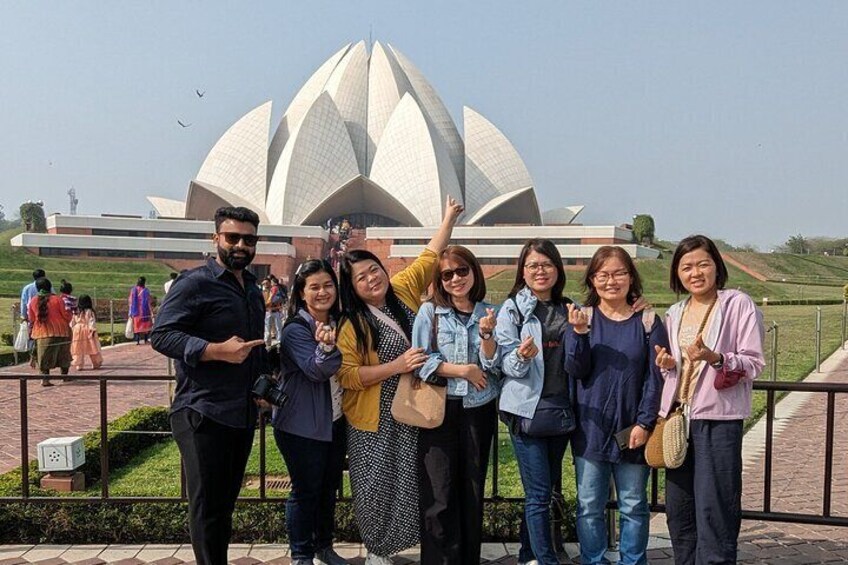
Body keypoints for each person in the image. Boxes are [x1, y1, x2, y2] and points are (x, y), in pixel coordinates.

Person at [336, 196, 463, 565]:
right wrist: (397, 365)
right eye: (362, 278)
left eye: (374, 270)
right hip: (372, 420)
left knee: (409, 481)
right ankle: (376, 549)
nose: (372, 279)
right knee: (375, 484)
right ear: (353, 287)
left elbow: (429, 256)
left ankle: (403, 545)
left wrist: (448, 218)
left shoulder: (402, 292)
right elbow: (347, 375)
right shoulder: (352, 323)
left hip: (410, 409)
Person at [151, 206, 267, 565]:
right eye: (232, 237)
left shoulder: (251, 288)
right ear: (216, 238)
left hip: (240, 411)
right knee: (206, 506)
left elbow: (250, 348)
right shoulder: (195, 283)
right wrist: (214, 350)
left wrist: (263, 386)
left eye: (248, 239)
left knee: (224, 504)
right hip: (202, 411)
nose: (240, 245)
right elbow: (161, 335)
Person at [653, 235, 764, 565]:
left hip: (719, 420)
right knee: (679, 507)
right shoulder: (675, 312)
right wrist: (669, 365)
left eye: (703, 264)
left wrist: (715, 357)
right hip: (680, 420)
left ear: (717, 266)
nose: (695, 273)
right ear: (677, 273)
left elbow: (753, 362)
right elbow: (680, 370)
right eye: (686, 267)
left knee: (714, 506)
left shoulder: (736, 304)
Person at [565, 246, 667, 565]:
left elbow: (656, 377)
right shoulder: (584, 318)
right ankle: (594, 560)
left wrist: (645, 422)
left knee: (634, 505)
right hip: (590, 430)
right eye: (603, 274)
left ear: (631, 277)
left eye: (619, 273)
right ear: (592, 280)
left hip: (632, 429)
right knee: (589, 504)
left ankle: (632, 561)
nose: (612, 281)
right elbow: (574, 369)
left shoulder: (648, 321)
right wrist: (580, 334)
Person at [411, 245, 500, 565]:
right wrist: (461, 370)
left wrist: (488, 337)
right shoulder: (430, 313)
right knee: (439, 491)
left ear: (474, 272)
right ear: (439, 280)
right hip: (439, 408)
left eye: (462, 271)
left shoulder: (491, 313)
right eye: (447, 275)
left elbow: (495, 366)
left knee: (472, 489)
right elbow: (419, 361)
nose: (455, 279)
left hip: (478, 409)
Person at [495, 238, 574, 565]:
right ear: (522, 271)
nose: (540, 271)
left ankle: (528, 554)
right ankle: (546, 560)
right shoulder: (512, 309)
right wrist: (521, 356)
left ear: (557, 268)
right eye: (532, 266)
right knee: (539, 494)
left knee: (546, 491)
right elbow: (505, 366)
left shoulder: (569, 307)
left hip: (560, 412)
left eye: (546, 264)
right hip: (526, 411)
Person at [271, 259, 348, 565]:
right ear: (301, 293)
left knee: (328, 489)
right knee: (305, 491)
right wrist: (328, 349)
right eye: (314, 287)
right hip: (301, 427)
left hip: (334, 422)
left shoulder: (341, 322)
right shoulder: (295, 330)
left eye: (328, 285)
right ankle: (301, 554)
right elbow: (316, 369)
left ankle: (324, 547)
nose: (322, 292)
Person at [27, 277, 72, 386]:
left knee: (43, 357)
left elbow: (32, 319)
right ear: (49, 287)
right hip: (62, 331)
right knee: (64, 355)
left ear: (37, 288)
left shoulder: (33, 300)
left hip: (42, 333)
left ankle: (45, 379)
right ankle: (65, 377)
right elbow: (66, 316)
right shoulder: (58, 299)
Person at [20, 269, 46, 368]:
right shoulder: (48, 286)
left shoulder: (27, 288)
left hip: (32, 317)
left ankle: (33, 356)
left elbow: (24, 303)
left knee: (33, 337)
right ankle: (37, 357)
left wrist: (24, 316)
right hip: (43, 316)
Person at [71, 294, 103, 371]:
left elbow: (72, 321)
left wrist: (72, 328)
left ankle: (78, 364)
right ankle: (96, 363)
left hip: (77, 330)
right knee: (92, 347)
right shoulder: (89, 311)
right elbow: (91, 321)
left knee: (78, 347)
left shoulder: (76, 311)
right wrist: (92, 330)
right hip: (87, 329)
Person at [129, 277, 153, 344]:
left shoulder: (133, 290)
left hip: (136, 310)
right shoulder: (146, 290)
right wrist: (151, 311)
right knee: (145, 325)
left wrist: (130, 311)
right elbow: (149, 301)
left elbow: (130, 301)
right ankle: (145, 339)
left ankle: (137, 340)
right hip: (144, 310)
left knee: (137, 325)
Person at [264, 275, 285, 346]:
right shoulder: (264, 290)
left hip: (275, 311)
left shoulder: (275, 289)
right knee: (268, 328)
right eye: (264, 284)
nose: (265, 285)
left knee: (277, 328)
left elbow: (278, 299)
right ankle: (268, 343)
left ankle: (279, 342)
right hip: (268, 312)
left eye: (267, 283)